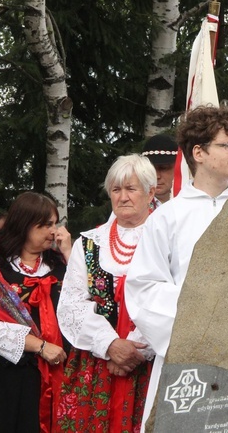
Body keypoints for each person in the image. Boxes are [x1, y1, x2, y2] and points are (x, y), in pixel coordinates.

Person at [125, 105, 228, 430]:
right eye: (227, 145)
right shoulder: (168, 216)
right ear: (199, 152)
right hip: (187, 353)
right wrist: (198, 324)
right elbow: (144, 287)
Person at [55, 155, 156, 432]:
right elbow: (72, 304)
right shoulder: (88, 243)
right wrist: (110, 345)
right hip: (96, 361)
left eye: (131, 189)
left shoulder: (166, 240)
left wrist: (135, 349)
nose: (123, 197)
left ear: (151, 192)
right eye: (116, 189)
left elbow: (172, 298)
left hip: (150, 362)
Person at [0, 192, 70, 433]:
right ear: (23, 226)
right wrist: (40, 346)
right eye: (44, 225)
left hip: (53, 376)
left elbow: (85, 304)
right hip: (2, 378)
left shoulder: (62, 264)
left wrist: (69, 254)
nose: (53, 231)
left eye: (54, 224)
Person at [141, 133, 178, 205]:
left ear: (178, 167)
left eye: (163, 168)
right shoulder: (131, 206)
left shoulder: (192, 204)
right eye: (150, 169)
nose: (157, 176)